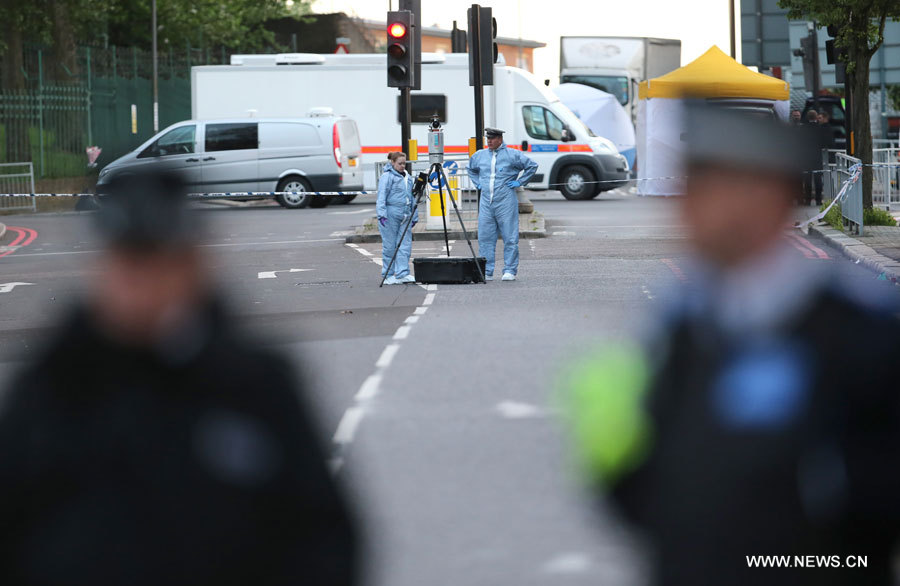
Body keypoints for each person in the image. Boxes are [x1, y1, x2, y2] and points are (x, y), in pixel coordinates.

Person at [565, 106, 900, 586]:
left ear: (778, 199)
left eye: (726, 188)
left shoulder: (859, 326)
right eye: (694, 190)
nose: (698, 210)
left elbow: (879, 503)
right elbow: (645, 486)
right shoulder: (678, 319)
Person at [0, 170, 359, 586]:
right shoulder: (51, 389)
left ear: (192, 263)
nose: (140, 285)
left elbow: (322, 534)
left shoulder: (252, 385)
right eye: (127, 262)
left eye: (158, 261)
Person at [467, 128, 538, 281]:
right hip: (486, 202)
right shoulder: (480, 155)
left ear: (500, 139)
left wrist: (520, 182)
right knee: (485, 237)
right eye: (488, 139)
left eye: (492, 138)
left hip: (505, 200)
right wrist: (478, 183)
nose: (489, 141)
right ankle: (487, 270)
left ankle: (510, 270)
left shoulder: (512, 155)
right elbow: (471, 169)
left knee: (510, 236)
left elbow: (531, 166)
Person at [376, 151, 416, 284]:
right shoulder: (387, 177)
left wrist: (414, 215)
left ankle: (402, 273)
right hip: (391, 213)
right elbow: (381, 196)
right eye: (399, 163)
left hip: (405, 213)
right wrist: (381, 214)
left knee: (405, 245)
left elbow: (412, 197)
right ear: (392, 163)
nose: (402, 166)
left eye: (404, 163)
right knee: (390, 245)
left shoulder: (407, 177)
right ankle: (388, 274)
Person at [803, 110, 824, 206]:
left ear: (808, 117)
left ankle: (807, 200)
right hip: (817, 157)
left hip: (806, 157)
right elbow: (823, 142)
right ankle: (818, 200)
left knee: (807, 179)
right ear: (816, 117)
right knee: (818, 179)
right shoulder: (820, 128)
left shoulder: (803, 128)